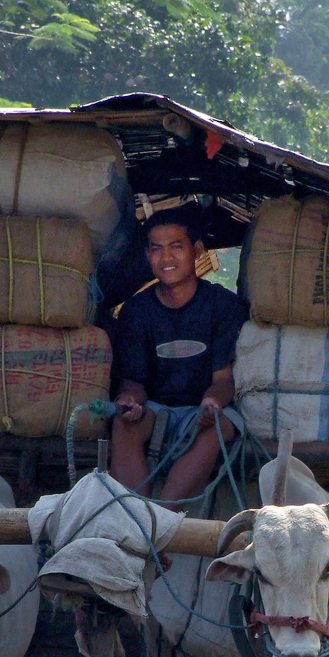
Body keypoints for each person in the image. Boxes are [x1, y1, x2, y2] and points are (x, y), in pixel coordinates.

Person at [110, 207, 248, 505]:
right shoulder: (135, 311)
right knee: (123, 424)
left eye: (176, 247)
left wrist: (211, 402)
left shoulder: (223, 306)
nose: (166, 258)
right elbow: (133, 381)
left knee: (219, 428)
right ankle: (134, 518)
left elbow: (224, 379)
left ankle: (162, 521)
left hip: (208, 408)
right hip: (157, 409)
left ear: (197, 251)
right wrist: (129, 401)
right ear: (147, 255)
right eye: (157, 249)